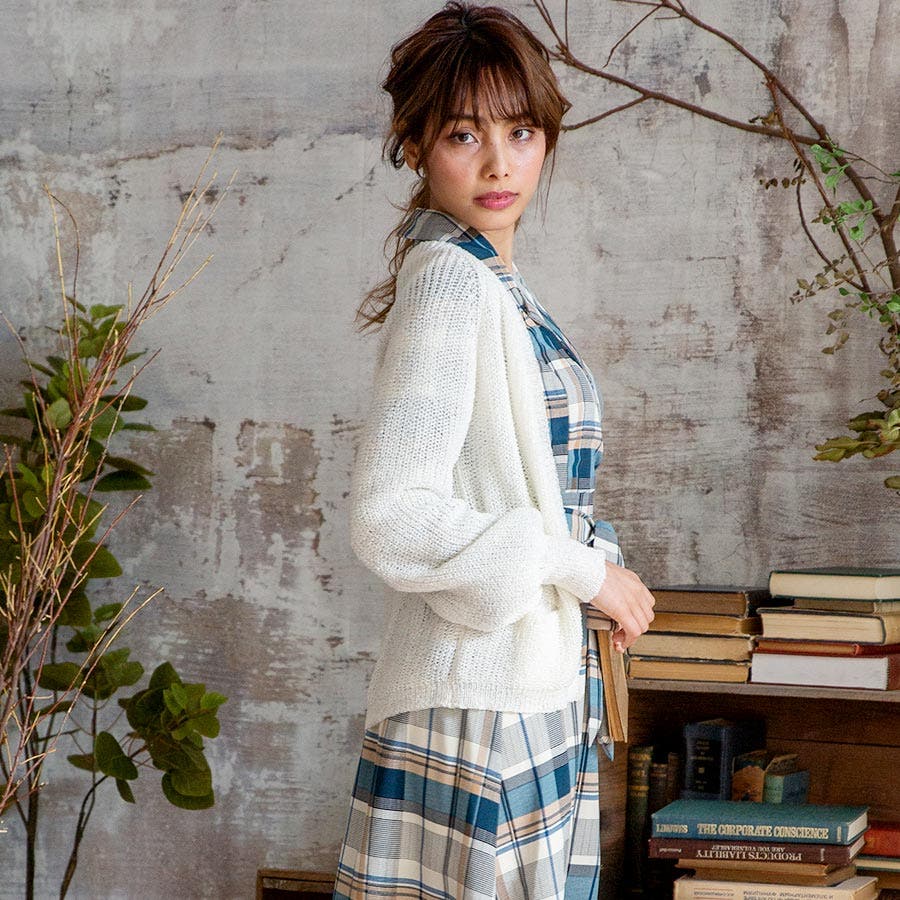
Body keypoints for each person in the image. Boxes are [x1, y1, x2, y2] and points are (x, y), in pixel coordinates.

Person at [333, 3, 655, 898]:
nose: (499, 163)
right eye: (463, 134)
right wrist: (584, 572)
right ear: (415, 146)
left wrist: (585, 576)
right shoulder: (451, 284)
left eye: (520, 132)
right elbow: (391, 516)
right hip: (480, 711)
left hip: (522, 688)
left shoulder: (495, 282)